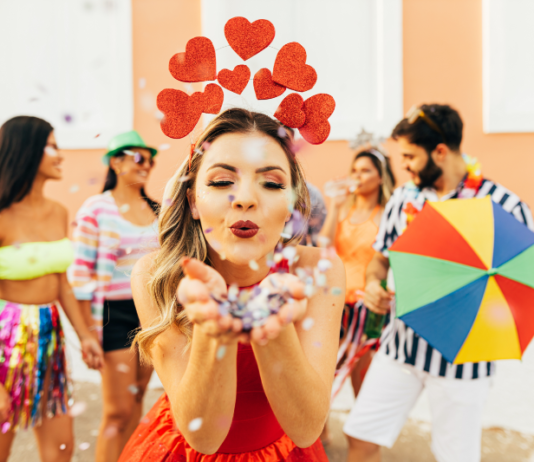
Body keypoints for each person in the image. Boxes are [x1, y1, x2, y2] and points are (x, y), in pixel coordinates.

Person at [118, 108, 345, 461]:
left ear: (291, 207)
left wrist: (271, 322)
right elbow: (204, 438)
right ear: (193, 200)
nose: (245, 198)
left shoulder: (319, 271)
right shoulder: (155, 276)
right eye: (222, 182)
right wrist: (213, 329)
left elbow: (306, 428)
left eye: (271, 183)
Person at [344, 104, 534, 462]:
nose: (405, 166)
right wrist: (373, 283)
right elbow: (380, 258)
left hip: (464, 364)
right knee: (361, 438)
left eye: (410, 156)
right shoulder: (404, 198)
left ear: (440, 151)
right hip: (400, 347)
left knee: (455, 458)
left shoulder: (504, 205)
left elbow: (525, 278)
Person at [0, 116, 104, 462]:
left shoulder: (59, 212)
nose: (60, 155)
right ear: (28, 150)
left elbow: (62, 282)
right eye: (53, 146)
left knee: (62, 450)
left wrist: (86, 335)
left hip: (49, 337)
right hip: (5, 341)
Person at [69, 130, 159, 462]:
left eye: (150, 159)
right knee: (117, 411)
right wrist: (87, 332)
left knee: (136, 401)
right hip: (112, 314)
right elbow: (80, 275)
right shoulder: (96, 208)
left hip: (150, 312)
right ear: (116, 162)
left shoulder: (157, 210)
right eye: (138, 158)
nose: (146, 165)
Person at [319, 147, 395, 444]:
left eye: (365, 171)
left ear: (380, 177)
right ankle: (318, 437)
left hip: (368, 307)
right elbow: (323, 247)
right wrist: (335, 206)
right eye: (355, 170)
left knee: (362, 377)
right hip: (336, 303)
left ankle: (364, 444)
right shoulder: (344, 209)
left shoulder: (387, 213)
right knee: (323, 373)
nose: (357, 176)